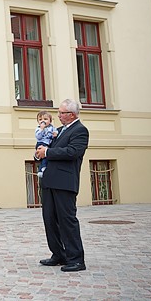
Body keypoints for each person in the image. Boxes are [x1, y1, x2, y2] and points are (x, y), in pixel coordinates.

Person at [35, 99, 89, 272]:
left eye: (61, 113)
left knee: (67, 221)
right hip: (50, 181)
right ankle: (58, 254)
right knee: (50, 220)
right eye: (58, 113)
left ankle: (76, 259)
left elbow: (73, 152)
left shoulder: (80, 130)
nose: (58, 116)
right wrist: (39, 153)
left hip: (65, 183)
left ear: (71, 114)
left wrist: (48, 152)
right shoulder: (57, 131)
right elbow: (46, 148)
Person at [34, 110, 57, 178]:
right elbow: (38, 136)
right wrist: (41, 129)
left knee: (46, 156)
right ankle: (42, 168)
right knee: (43, 156)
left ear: (50, 121)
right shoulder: (38, 129)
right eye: (40, 119)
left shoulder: (52, 128)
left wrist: (55, 134)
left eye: (45, 119)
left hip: (48, 144)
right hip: (41, 143)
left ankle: (43, 168)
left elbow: (56, 132)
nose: (42, 121)